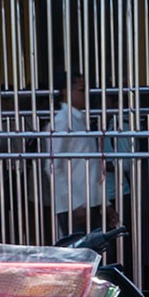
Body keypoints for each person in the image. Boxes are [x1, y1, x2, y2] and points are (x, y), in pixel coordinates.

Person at [48, 71, 108, 239]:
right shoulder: (62, 122)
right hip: (75, 208)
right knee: (78, 259)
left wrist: (104, 202)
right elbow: (53, 168)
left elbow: (90, 167)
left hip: (89, 203)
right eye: (81, 90)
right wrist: (73, 204)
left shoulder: (79, 120)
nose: (85, 95)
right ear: (66, 91)